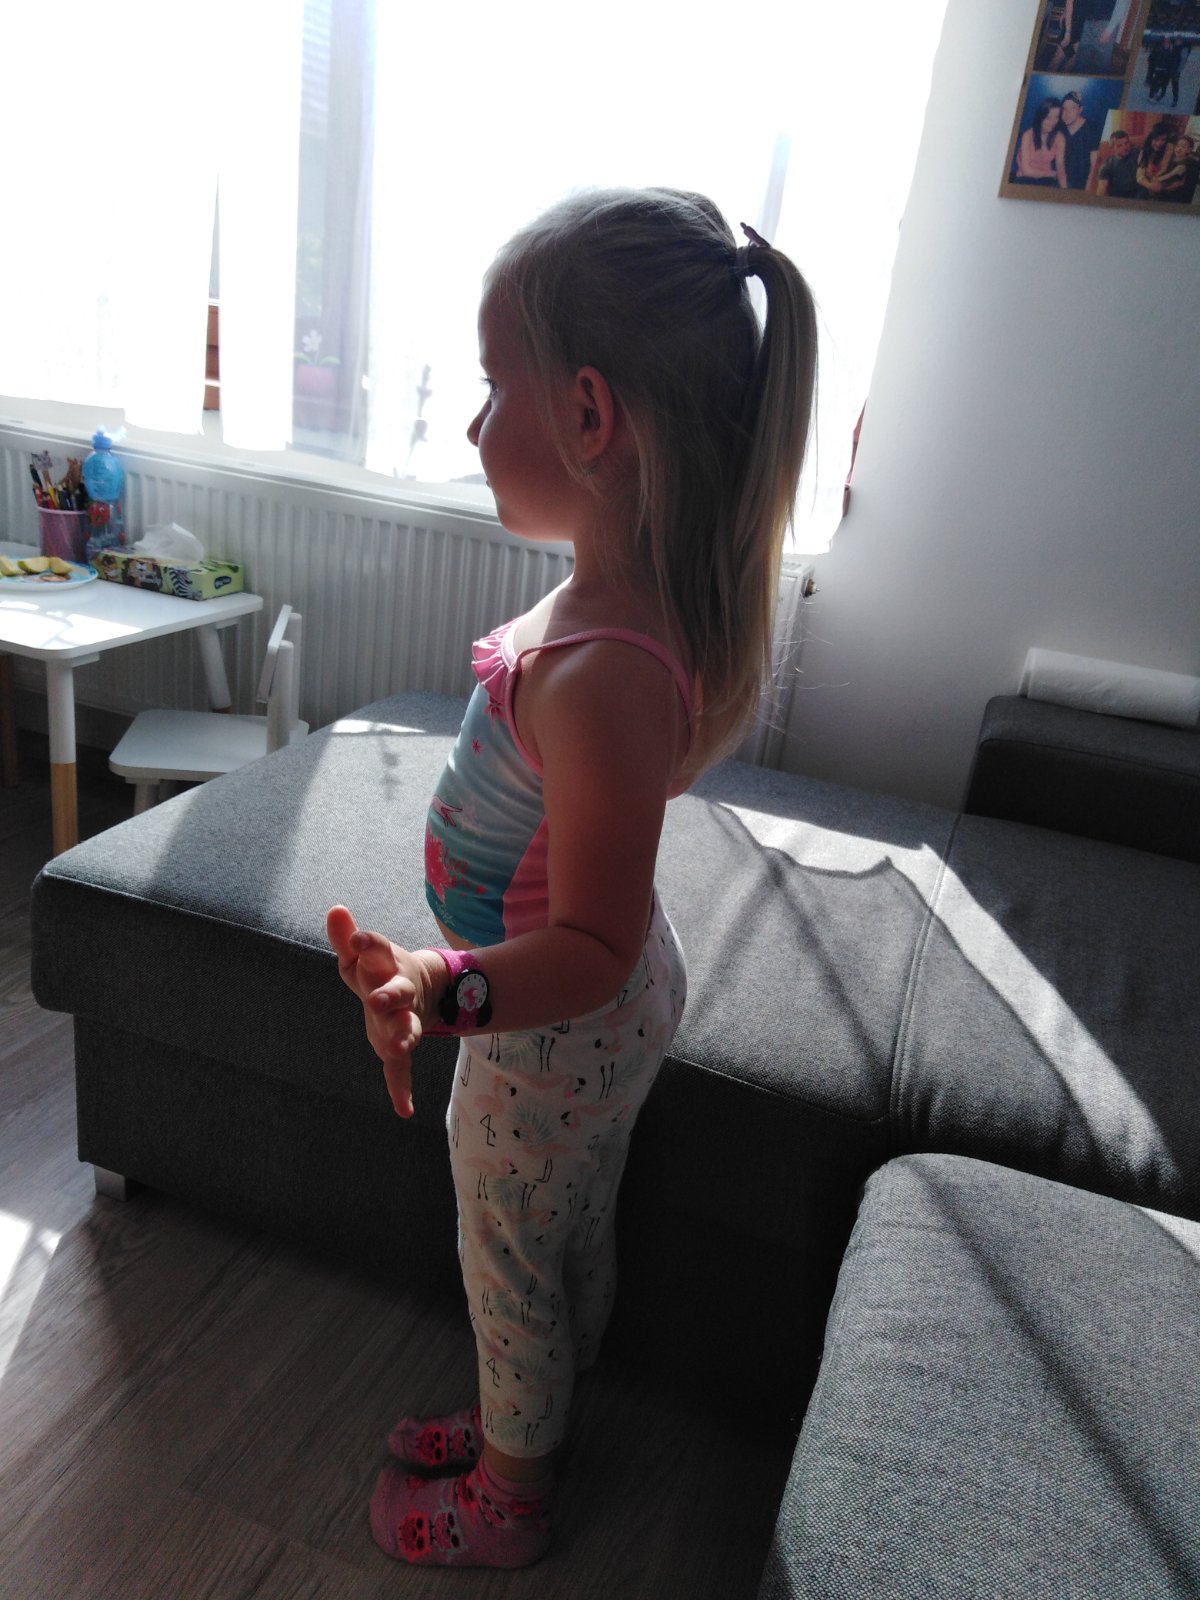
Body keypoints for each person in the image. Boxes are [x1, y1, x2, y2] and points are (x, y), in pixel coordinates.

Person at [326, 187, 817, 1570]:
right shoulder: (612, 605)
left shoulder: (606, 672)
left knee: (508, 1261)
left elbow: (588, 945)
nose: (475, 425)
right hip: (586, 1013)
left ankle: (512, 1494)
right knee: (562, 1222)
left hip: (554, 1027)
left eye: (496, 388)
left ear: (592, 414)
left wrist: (441, 983)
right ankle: (537, 1408)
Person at [1014, 97, 1067, 185]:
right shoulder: (1028, 135)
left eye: (1056, 117)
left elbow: (1060, 170)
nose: (1053, 122)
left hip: (1047, 180)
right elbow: (1026, 171)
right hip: (1025, 178)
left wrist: (1065, 191)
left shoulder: (1059, 137)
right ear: (1040, 117)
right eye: (1049, 118)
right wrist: (1050, 173)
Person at [1058, 90, 1103, 189]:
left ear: (1080, 110)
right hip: (1060, 182)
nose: (1067, 113)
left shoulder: (1092, 128)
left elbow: (1094, 165)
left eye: (1072, 108)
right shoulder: (1059, 128)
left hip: (1082, 184)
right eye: (1064, 109)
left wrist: (1088, 187)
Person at [1095, 127, 1142, 196]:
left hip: (1141, 195)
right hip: (1121, 199)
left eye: (1126, 143)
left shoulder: (1137, 152)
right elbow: (1101, 190)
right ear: (1112, 148)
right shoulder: (1107, 166)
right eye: (1119, 146)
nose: (1125, 147)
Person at [1152, 132, 1199, 201]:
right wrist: (1156, 176)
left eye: (1183, 147)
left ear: (1189, 150)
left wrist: (1158, 179)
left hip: (1173, 192)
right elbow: (1164, 169)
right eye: (1177, 146)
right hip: (1165, 185)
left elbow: (1169, 175)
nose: (1179, 149)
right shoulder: (1172, 158)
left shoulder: (1183, 165)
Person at [1136, 120, 1179, 195]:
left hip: (1163, 182)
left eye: (1163, 139)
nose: (1159, 143)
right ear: (1151, 139)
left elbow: (1166, 168)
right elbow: (1139, 176)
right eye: (1156, 139)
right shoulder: (1144, 152)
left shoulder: (1169, 148)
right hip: (1148, 183)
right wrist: (1150, 186)